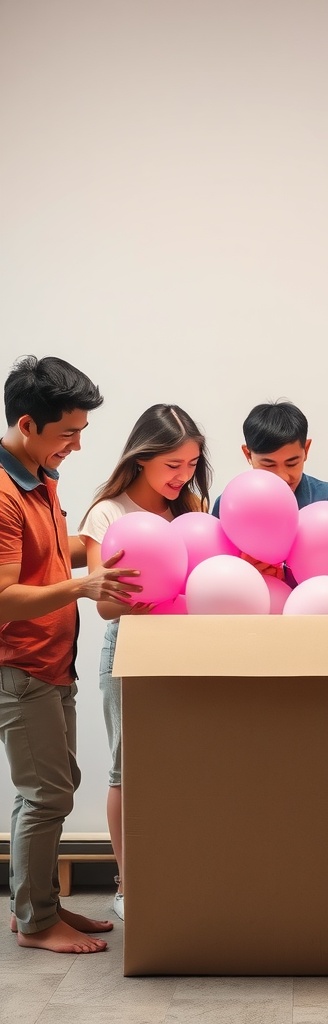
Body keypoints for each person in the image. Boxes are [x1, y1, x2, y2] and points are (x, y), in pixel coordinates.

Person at [0, 355, 142, 954]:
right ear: (28, 424)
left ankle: (37, 908)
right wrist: (81, 588)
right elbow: (5, 597)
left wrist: (105, 543)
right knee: (48, 795)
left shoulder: (40, 476)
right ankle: (36, 923)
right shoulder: (6, 493)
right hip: (22, 667)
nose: (78, 446)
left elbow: (59, 551)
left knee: (50, 788)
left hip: (54, 664)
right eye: (69, 434)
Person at [79, 404, 212, 920]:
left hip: (190, 646)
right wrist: (156, 593)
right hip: (130, 647)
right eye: (172, 465)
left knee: (191, 765)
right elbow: (105, 602)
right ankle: (129, 884)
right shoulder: (108, 513)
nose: (182, 476)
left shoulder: (192, 507)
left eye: (191, 464)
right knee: (127, 770)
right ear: (141, 458)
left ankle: (187, 873)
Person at [212, 401, 328, 579]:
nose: (283, 477)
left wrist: (289, 578)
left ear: (306, 450)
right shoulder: (228, 507)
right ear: (248, 454)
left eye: (292, 463)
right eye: (268, 464)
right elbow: (216, 576)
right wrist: (241, 571)